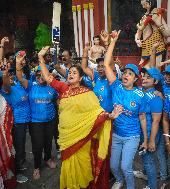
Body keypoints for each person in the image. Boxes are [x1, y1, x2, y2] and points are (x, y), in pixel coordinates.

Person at [37, 46, 123, 189]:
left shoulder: (87, 93)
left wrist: (110, 115)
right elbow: (48, 77)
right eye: (69, 72)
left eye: (74, 72)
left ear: (81, 77)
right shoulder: (63, 89)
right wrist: (41, 58)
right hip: (66, 137)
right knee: (68, 165)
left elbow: (97, 112)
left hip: (82, 137)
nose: (70, 74)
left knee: (83, 166)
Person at [104, 30, 148, 189]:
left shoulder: (139, 94)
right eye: (125, 73)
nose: (126, 75)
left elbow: (142, 117)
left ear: (136, 78)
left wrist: (146, 138)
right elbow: (106, 64)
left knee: (125, 166)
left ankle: (130, 186)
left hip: (132, 136)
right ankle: (119, 180)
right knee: (113, 166)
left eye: (130, 74)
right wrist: (113, 41)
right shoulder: (116, 86)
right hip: (116, 134)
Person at [16, 54, 58, 180]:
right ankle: (36, 167)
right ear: (35, 76)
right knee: (37, 145)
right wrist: (18, 63)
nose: (40, 77)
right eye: (38, 75)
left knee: (48, 142)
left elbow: (57, 102)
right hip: (35, 122)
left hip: (50, 120)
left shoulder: (52, 88)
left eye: (43, 75)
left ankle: (47, 159)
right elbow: (19, 76)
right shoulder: (30, 86)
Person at [1, 61, 30, 183]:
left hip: (25, 121)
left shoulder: (19, 85)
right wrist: (5, 74)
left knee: (22, 145)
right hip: (17, 122)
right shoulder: (6, 89)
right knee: (18, 147)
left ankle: (20, 164)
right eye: (9, 75)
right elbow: (7, 86)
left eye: (12, 75)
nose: (11, 77)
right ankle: (17, 173)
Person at [139, 67, 164, 189]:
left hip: (150, 133)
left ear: (155, 82)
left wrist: (151, 140)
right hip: (141, 132)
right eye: (144, 76)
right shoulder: (140, 91)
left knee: (149, 161)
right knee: (145, 159)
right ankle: (147, 177)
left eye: (148, 77)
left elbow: (156, 121)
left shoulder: (156, 97)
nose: (144, 78)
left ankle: (152, 186)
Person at [135, 0, 170, 69]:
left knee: (154, 71)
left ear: (150, 3)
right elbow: (138, 32)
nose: (143, 6)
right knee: (145, 70)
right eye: (142, 4)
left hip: (157, 46)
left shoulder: (157, 15)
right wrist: (137, 39)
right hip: (146, 46)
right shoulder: (144, 17)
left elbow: (167, 34)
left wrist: (159, 25)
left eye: (144, 4)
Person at [81, 43, 113, 112]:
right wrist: (85, 50)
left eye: (103, 66)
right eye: (99, 66)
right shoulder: (95, 76)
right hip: (96, 113)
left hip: (108, 115)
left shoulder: (111, 79)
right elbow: (84, 67)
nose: (100, 68)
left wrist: (107, 45)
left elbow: (111, 62)